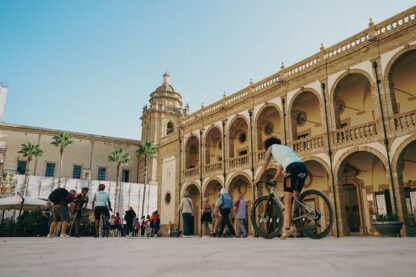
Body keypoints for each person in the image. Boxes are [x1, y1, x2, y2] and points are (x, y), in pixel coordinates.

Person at [254, 137, 308, 240]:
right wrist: (274, 178)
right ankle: (301, 216)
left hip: (291, 169)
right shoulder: (284, 149)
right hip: (302, 168)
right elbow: (281, 167)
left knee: (287, 198)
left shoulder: (270, 148)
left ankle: (287, 227)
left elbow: (265, 165)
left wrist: (257, 179)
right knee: (296, 197)